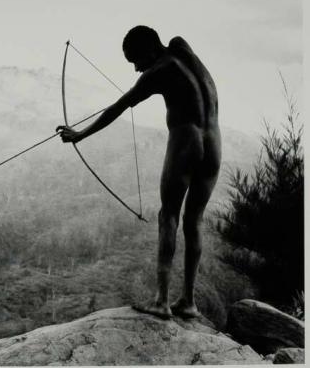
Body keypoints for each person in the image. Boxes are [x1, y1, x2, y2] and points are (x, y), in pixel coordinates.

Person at [56, 26, 221, 319]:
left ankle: (161, 301)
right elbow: (174, 50)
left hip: (187, 141)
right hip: (214, 143)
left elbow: (117, 107)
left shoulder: (157, 71)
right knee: (193, 219)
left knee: (168, 216)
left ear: (149, 50)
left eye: (135, 60)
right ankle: (189, 302)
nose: (135, 69)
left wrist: (79, 134)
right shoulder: (181, 48)